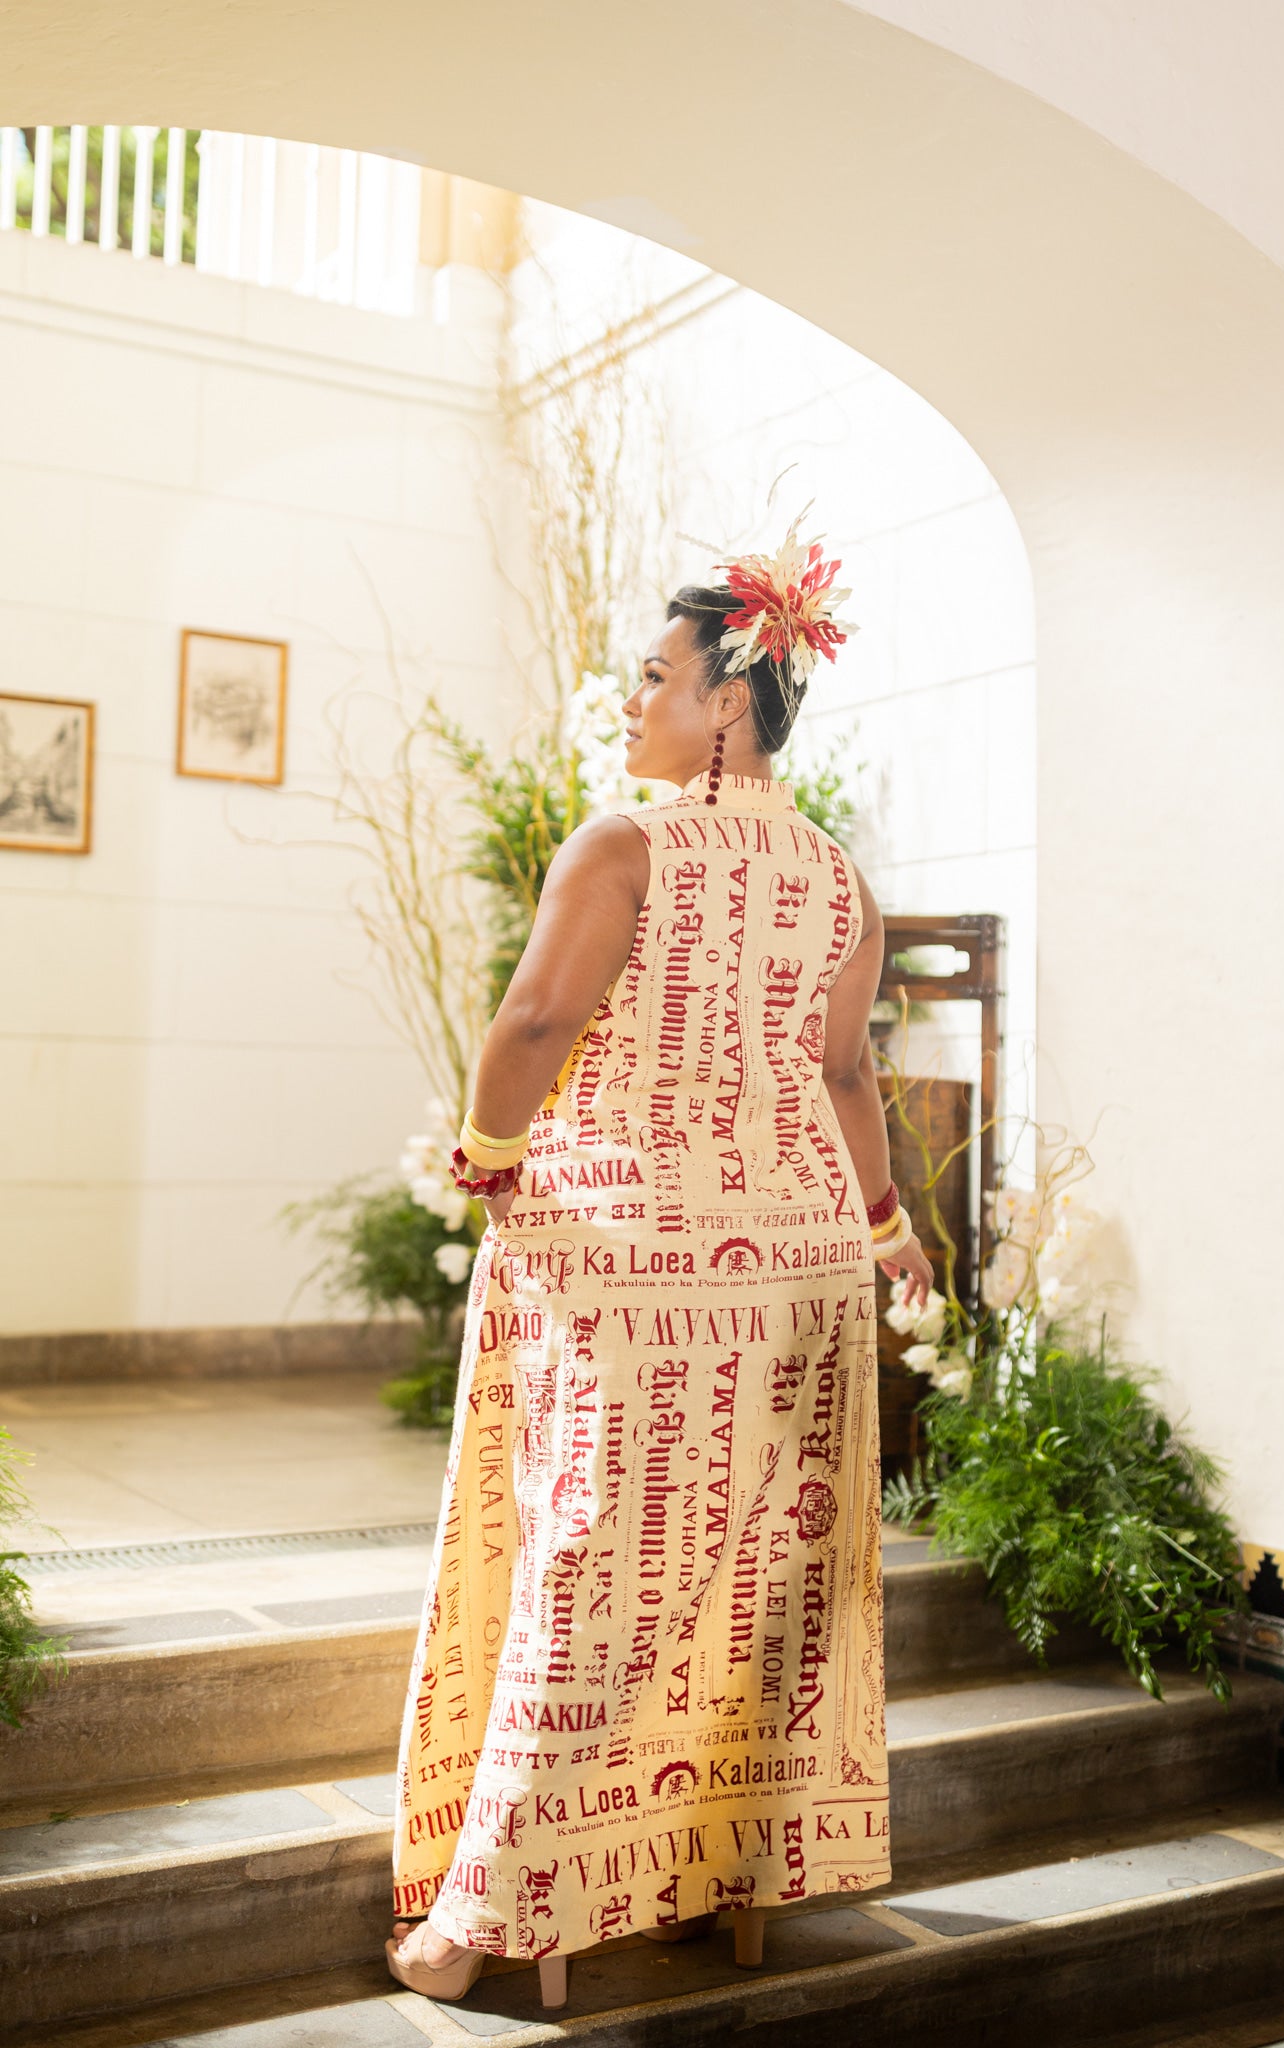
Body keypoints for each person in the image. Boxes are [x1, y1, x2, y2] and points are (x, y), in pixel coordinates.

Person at [386, 521, 934, 2010]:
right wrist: (890, 1233)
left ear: (727, 701)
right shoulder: (840, 881)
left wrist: (487, 1157)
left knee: (590, 1568)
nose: (631, 700)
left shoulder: (623, 845)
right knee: (754, 1579)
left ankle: (480, 1922)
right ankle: (715, 1878)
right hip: (800, 1264)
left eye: (652, 676)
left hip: (628, 1260)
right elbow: (844, 1079)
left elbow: (532, 1024)